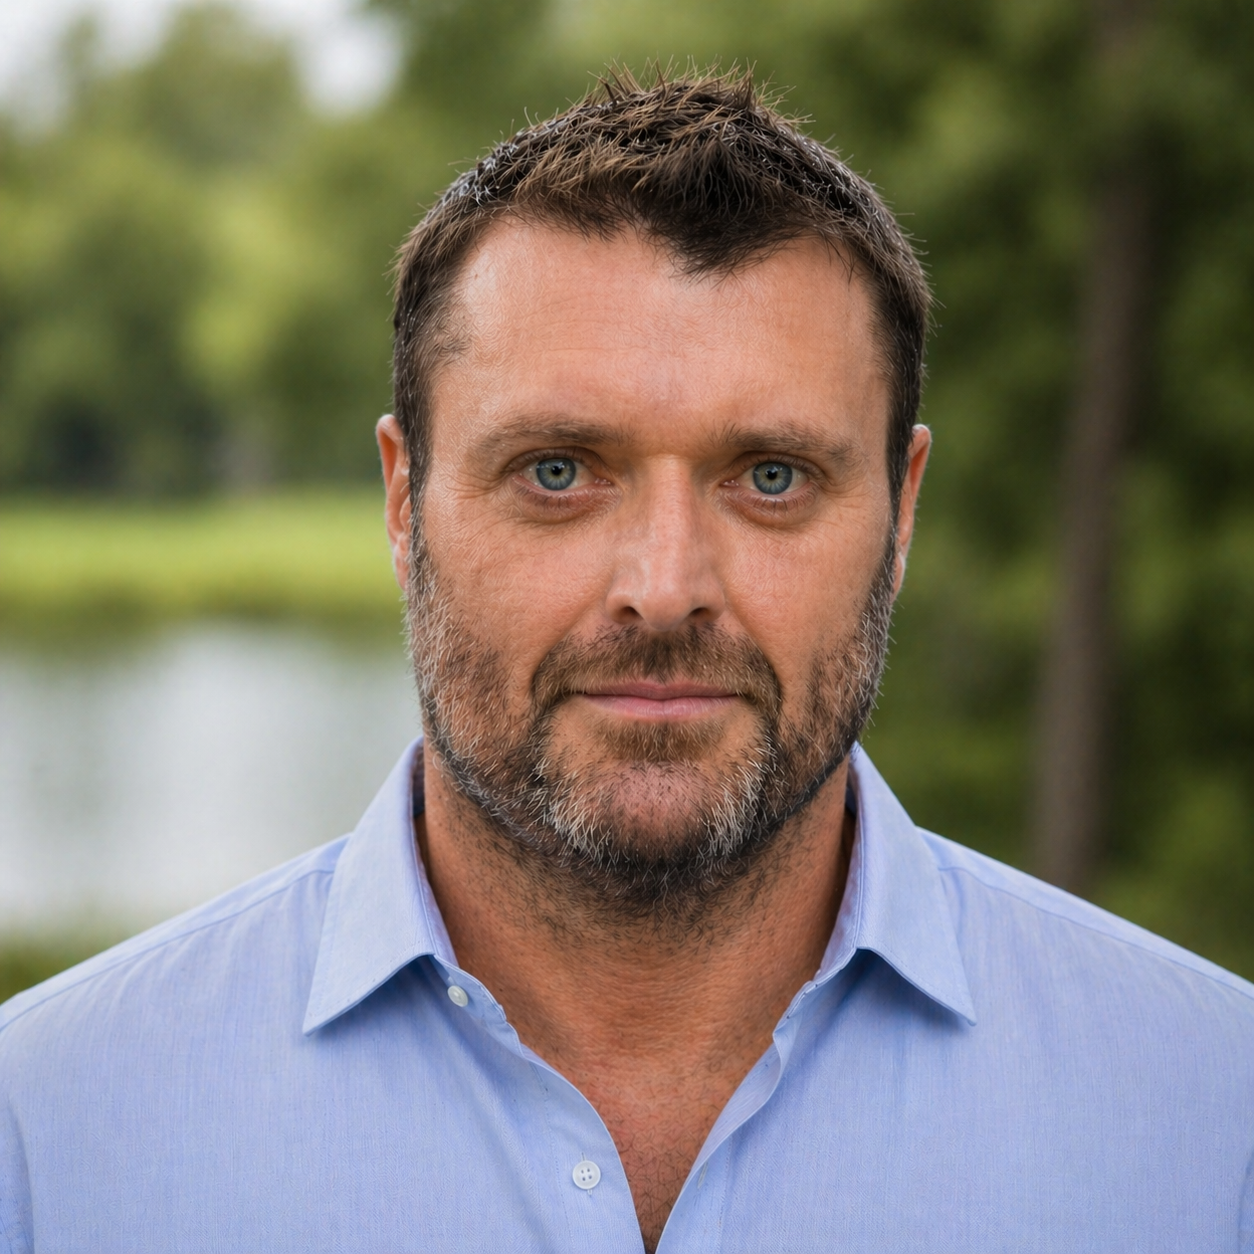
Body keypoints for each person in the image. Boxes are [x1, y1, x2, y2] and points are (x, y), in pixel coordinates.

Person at [2, 71, 1252, 1254]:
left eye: (772, 478)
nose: (664, 587)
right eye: (557, 472)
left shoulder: (1212, 1123)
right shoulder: (49, 1137)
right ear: (401, 499)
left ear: (902, 510)